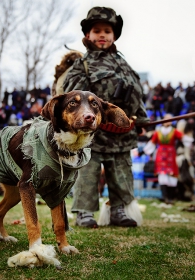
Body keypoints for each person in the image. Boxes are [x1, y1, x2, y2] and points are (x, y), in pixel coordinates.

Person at [61, 7, 150, 227]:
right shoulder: (82, 65)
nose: (103, 35)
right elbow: (72, 96)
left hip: (122, 132)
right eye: (97, 30)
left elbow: (137, 94)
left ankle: (118, 211)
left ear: (114, 35)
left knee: (121, 174)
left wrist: (141, 120)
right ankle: (84, 213)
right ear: (88, 35)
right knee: (88, 173)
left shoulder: (124, 65)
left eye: (108, 31)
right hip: (93, 133)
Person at [144, 114, 193, 204]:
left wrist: (192, 141)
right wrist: (143, 151)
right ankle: (164, 196)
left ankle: (171, 197)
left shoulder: (174, 131)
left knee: (172, 176)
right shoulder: (158, 132)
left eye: (170, 119)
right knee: (162, 176)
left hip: (171, 156)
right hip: (161, 156)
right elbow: (152, 142)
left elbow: (183, 138)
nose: (168, 121)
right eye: (166, 119)